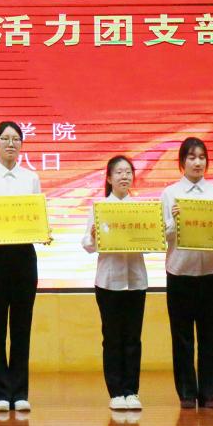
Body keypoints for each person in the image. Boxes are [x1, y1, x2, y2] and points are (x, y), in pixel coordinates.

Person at [161, 137, 213, 409]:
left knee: (211, 336)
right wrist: (174, 220)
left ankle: (210, 392)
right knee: (182, 337)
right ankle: (186, 392)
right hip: (180, 273)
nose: (198, 162)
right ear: (182, 163)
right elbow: (162, 235)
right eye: (192, 157)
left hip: (210, 274)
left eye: (202, 157)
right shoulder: (170, 194)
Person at [0, 121, 44, 413]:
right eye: (5, 138)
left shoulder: (31, 178)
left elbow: (37, 214)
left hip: (23, 258)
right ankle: (0, 393)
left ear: (22, 144)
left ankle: (20, 391)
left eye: (16, 139)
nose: (10, 143)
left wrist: (43, 229)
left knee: (21, 327)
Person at [83, 156, 147, 411]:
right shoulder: (100, 208)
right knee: (112, 338)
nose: (124, 176)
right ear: (109, 178)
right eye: (119, 172)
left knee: (133, 338)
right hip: (108, 282)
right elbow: (87, 245)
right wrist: (93, 236)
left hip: (136, 281)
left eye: (128, 172)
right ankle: (116, 392)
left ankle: (132, 391)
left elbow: (152, 242)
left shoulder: (142, 210)